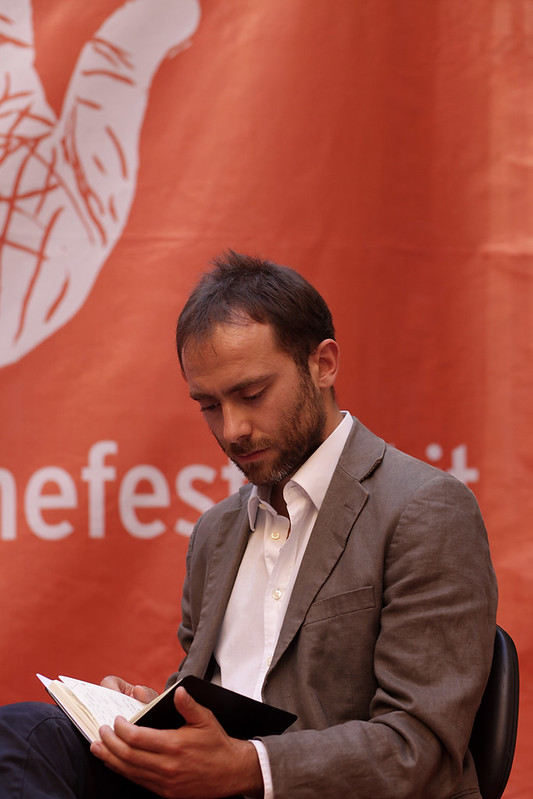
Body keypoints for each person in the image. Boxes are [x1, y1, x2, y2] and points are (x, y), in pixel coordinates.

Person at [0, 251, 498, 799]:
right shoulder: (216, 532)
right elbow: (216, 704)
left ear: (323, 364)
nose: (232, 429)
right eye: (209, 406)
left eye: (252, 395)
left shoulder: (424, 509)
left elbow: (420, 746)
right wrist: (152, 715)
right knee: (30, 734)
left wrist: (247, 766)